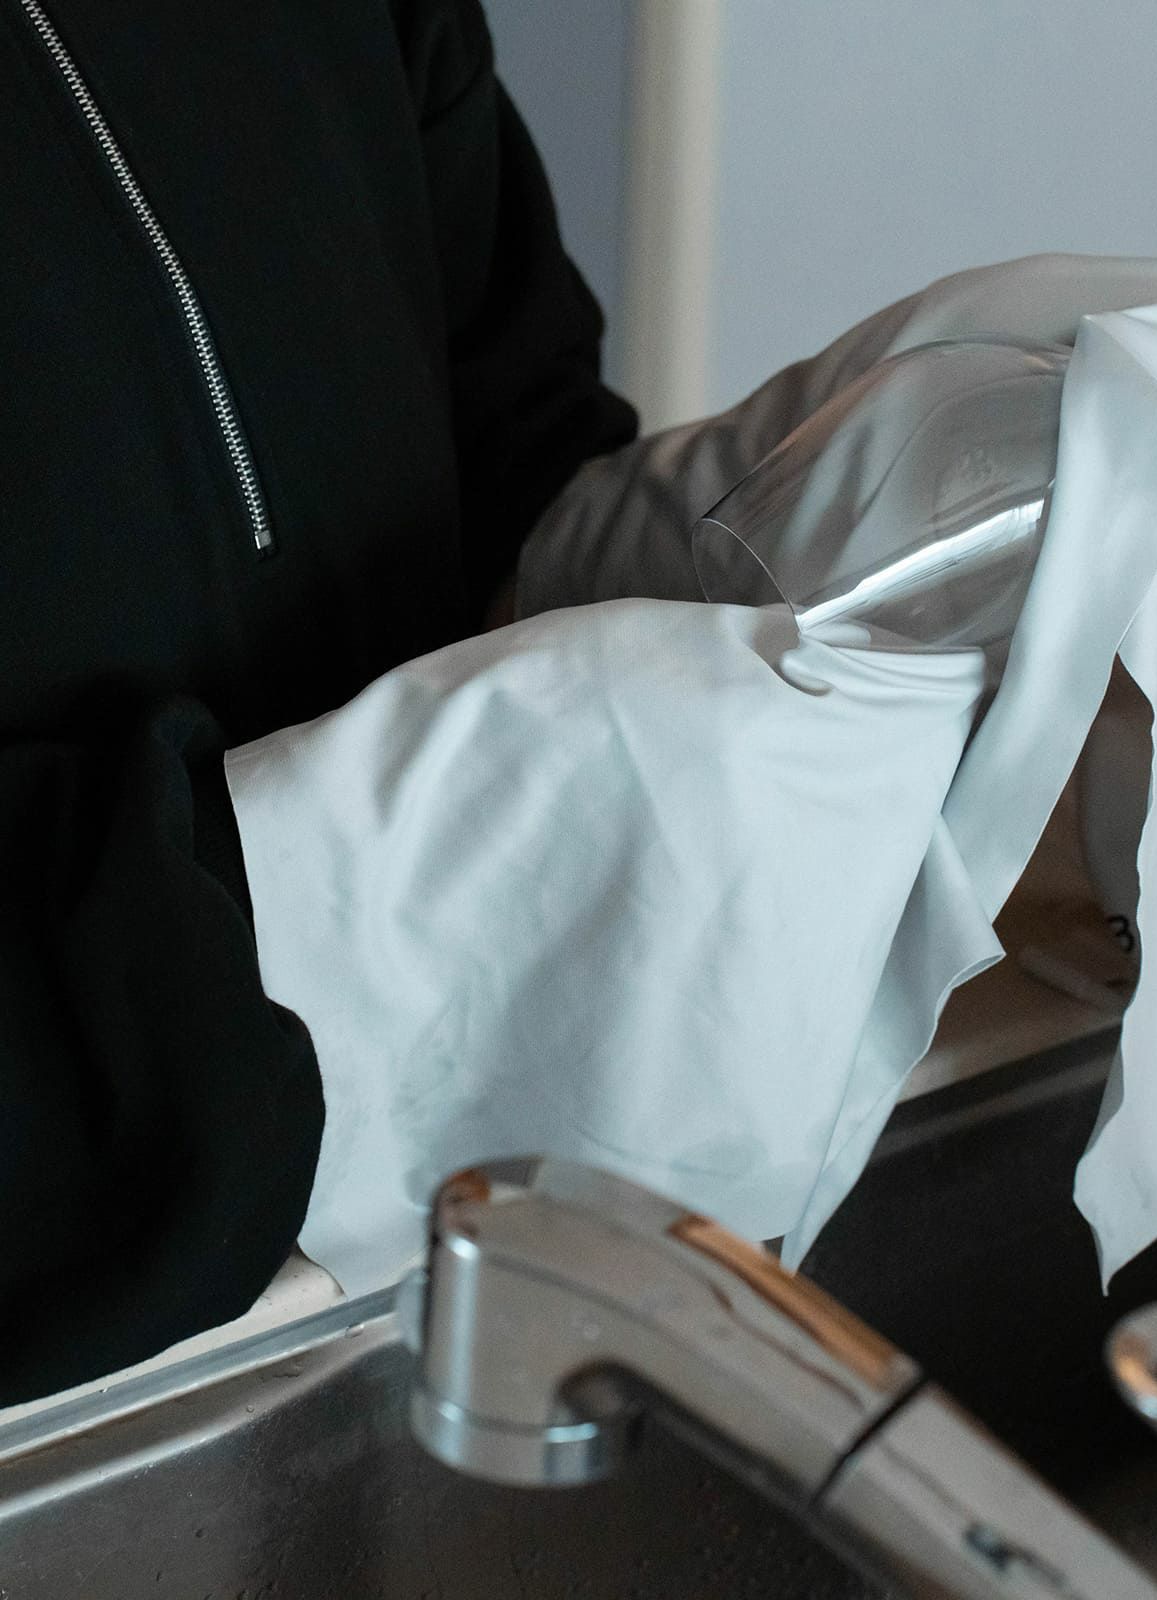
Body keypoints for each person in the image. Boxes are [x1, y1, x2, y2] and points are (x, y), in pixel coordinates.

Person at [0, 0, 635, 1402]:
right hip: (69, 1402)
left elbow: (518, 443)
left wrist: (778, 545)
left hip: (455, 1260)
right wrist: (323, 922)